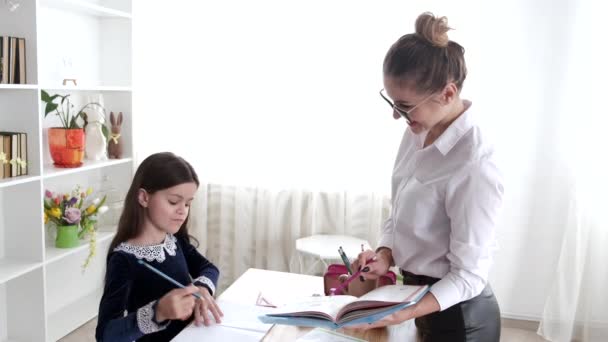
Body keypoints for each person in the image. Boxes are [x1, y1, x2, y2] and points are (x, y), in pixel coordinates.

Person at [351, 12, 504, 341]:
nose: (396, 115)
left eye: (404, 106)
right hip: (419, 302)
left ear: (448, 94)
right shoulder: (418, 129)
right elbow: (401, 211)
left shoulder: (476, 164)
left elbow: (468, 276)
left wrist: (401, 311)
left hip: (461, 319)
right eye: (391, 101)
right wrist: (385, 254)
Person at [96, 152, 223, 342]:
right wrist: (158, 312)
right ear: (144, 198)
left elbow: (209, 268)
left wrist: (201, 286)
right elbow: (106, 335)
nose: (183, 211)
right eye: (173, 202)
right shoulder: (124, 259)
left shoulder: (173, 241)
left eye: (188, 203)